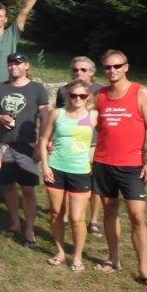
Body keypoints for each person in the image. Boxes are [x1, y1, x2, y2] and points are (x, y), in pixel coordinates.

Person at [92, 50, 147, 288]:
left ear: (126, 67)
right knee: (109, 211)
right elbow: (95, 125)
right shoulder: (100, 95)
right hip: (104, 163)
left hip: (132, 166)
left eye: (117, 66)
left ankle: (144, 269)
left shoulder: (141, 93)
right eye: (108, 67)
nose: (112, 71)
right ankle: (113, 259)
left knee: (137, 216)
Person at [39, 79, 97, 271]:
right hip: (56, 168)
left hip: (80, 171)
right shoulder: (58, 113)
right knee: (56, 214)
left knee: (77, 218)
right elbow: (44, 138)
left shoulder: (94, 115)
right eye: (73, 95)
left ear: (87, 96)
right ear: (67, 95)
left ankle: (78, 256)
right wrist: (45, 166)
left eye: (82, 96)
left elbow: (111, 134)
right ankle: (60, 252)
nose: (77, 99)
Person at [0, 52, 49, 248]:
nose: (13, 67)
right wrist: (1, 118)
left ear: (26, 66)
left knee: (28, 189)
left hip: (28, 145)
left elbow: (45, 118)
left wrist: (41, 143)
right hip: (5, 144)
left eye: (17, 64)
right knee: (8, 186)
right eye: (10, 64)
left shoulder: (37, 88)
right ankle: (15, 222)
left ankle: (30, 229)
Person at [54, 55, 105, 236]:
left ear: (91, 72)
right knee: (70, 181)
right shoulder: (63, 90)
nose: (79, 73)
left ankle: (93, 221)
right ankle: (67, 216)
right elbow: (59, 116)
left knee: (94, 184)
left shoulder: (101, 91)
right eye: (75, 70)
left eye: (83, 70)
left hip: (93, 144)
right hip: (69, 145)